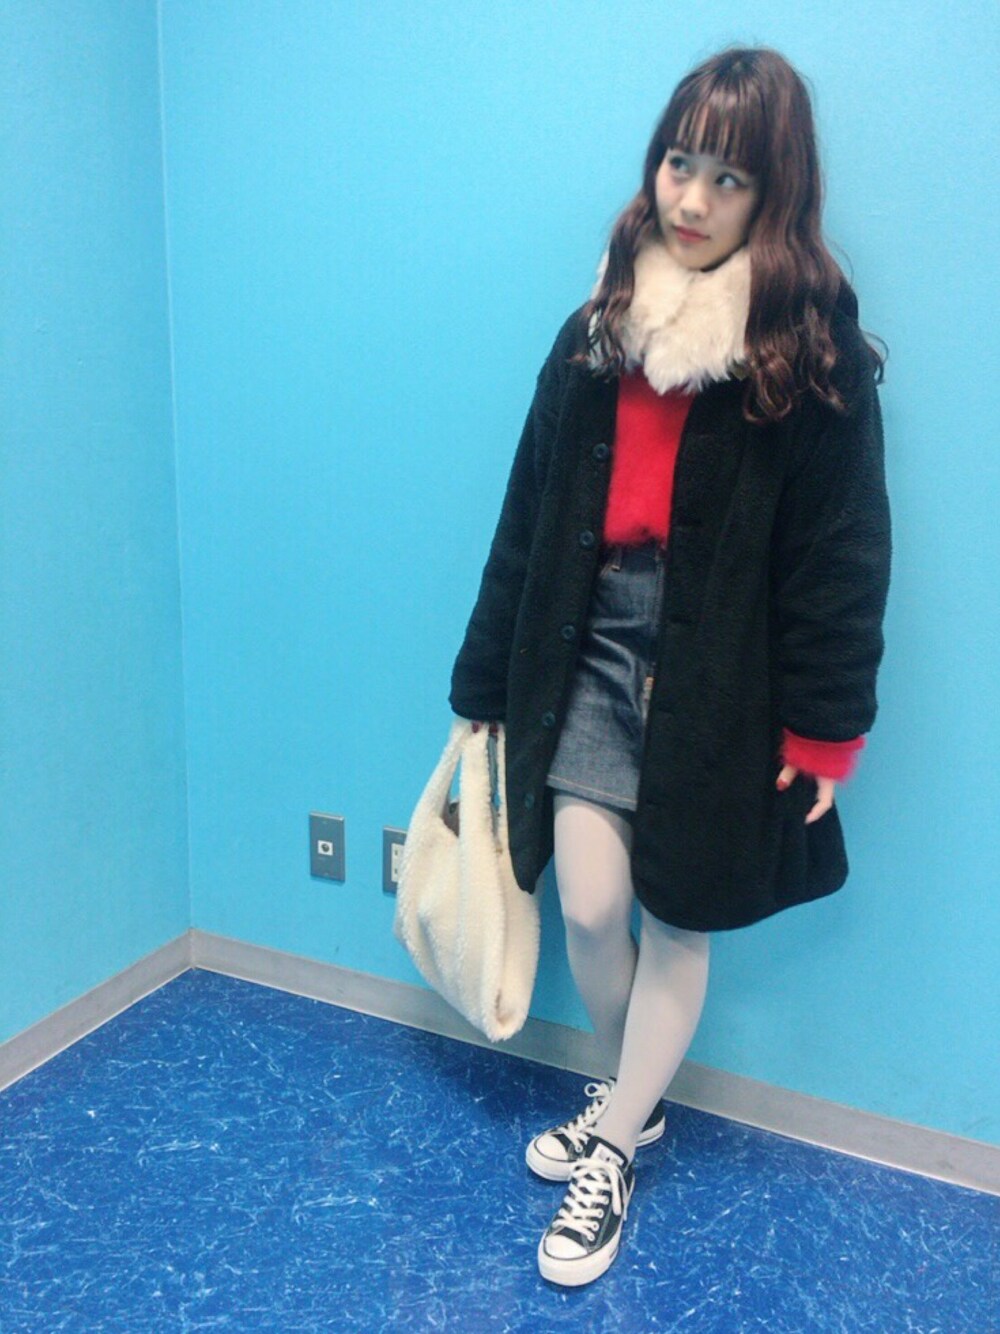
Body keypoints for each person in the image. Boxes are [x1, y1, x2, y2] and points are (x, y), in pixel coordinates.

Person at [449, 45, 892, 1288]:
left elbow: (843, 552)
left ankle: (614, 1146)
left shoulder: (810, 355)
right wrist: (483, 684)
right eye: (678, 163)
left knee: (678, 912)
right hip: (589, 641)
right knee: (590, 904)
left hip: (723, 670)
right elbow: (529, 514)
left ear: (774, 194)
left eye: (728, 177)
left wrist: (824, 729)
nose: (691, 199)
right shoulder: (598, 326)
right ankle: (630, 1099)